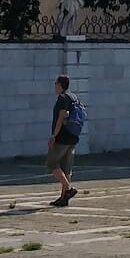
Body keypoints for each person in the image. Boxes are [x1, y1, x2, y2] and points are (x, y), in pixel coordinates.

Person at [47, 73, 80, 207]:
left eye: (56, 84)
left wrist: (54, 136)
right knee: (66, 169)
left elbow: (61, 117)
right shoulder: (73, 97)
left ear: (60, 85)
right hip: (73, 137)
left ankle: (68, 189)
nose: (54, 86)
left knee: (51, 164)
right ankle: (63, 198)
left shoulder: (62, 98)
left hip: (62, 138)